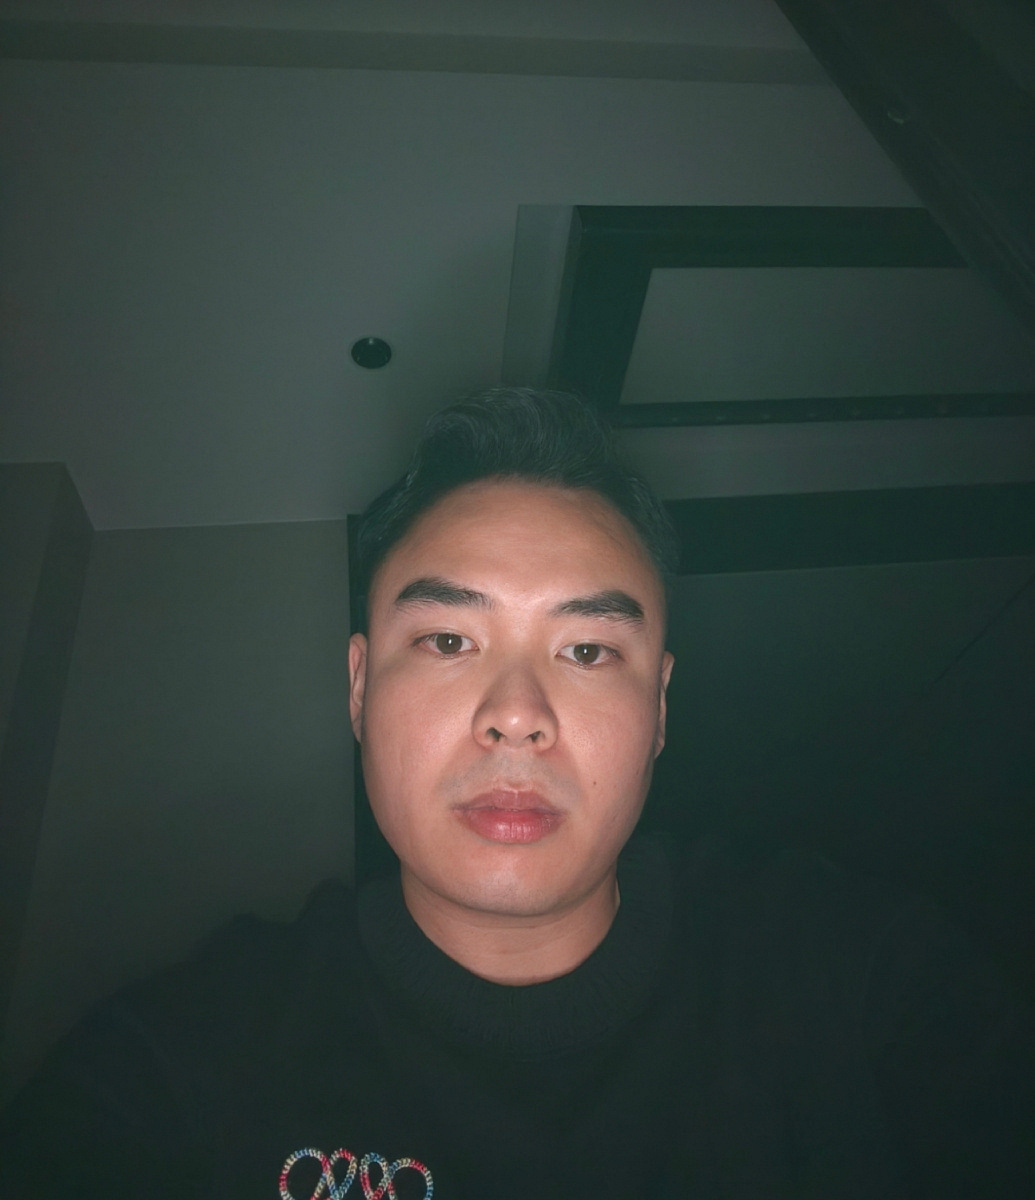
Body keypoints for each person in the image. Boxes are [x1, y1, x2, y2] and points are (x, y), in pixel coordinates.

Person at [1, 388, 1033, 1199]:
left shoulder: (865, 980)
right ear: (359, 688)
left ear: (659, 709)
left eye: (587, 649)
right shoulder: (175, 1069)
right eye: (449, 640)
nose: (516, 715)